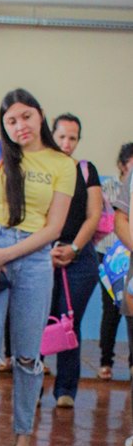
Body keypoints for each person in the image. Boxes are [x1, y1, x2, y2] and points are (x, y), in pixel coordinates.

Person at [0, 88, 75, 446]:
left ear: (40, 115)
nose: (19, 126)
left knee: (29, 355)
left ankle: (23, 439)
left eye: (26, 116)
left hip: (33, 256)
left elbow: (54, 227)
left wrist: (3, 258)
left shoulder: (63, 165)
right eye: (11, 120)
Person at [49, 113, 102, 407]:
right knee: (38, 320)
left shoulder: (86, 170)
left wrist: (74, 249)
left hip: (80, 258)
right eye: (62, 137)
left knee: (70, 321)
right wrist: (49, 249)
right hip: (43, 252)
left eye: (73, 138)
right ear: (52, 136)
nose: (67, 143)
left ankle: (65, 390)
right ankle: (32, 385)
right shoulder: (42, 168)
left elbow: (93, 215)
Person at [97, 142, 133, 380]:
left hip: (128, 253)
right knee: (111, 311)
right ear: (122, 165)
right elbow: (109, 219)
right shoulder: (108, 187)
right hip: (111, 256)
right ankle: (105, 361)